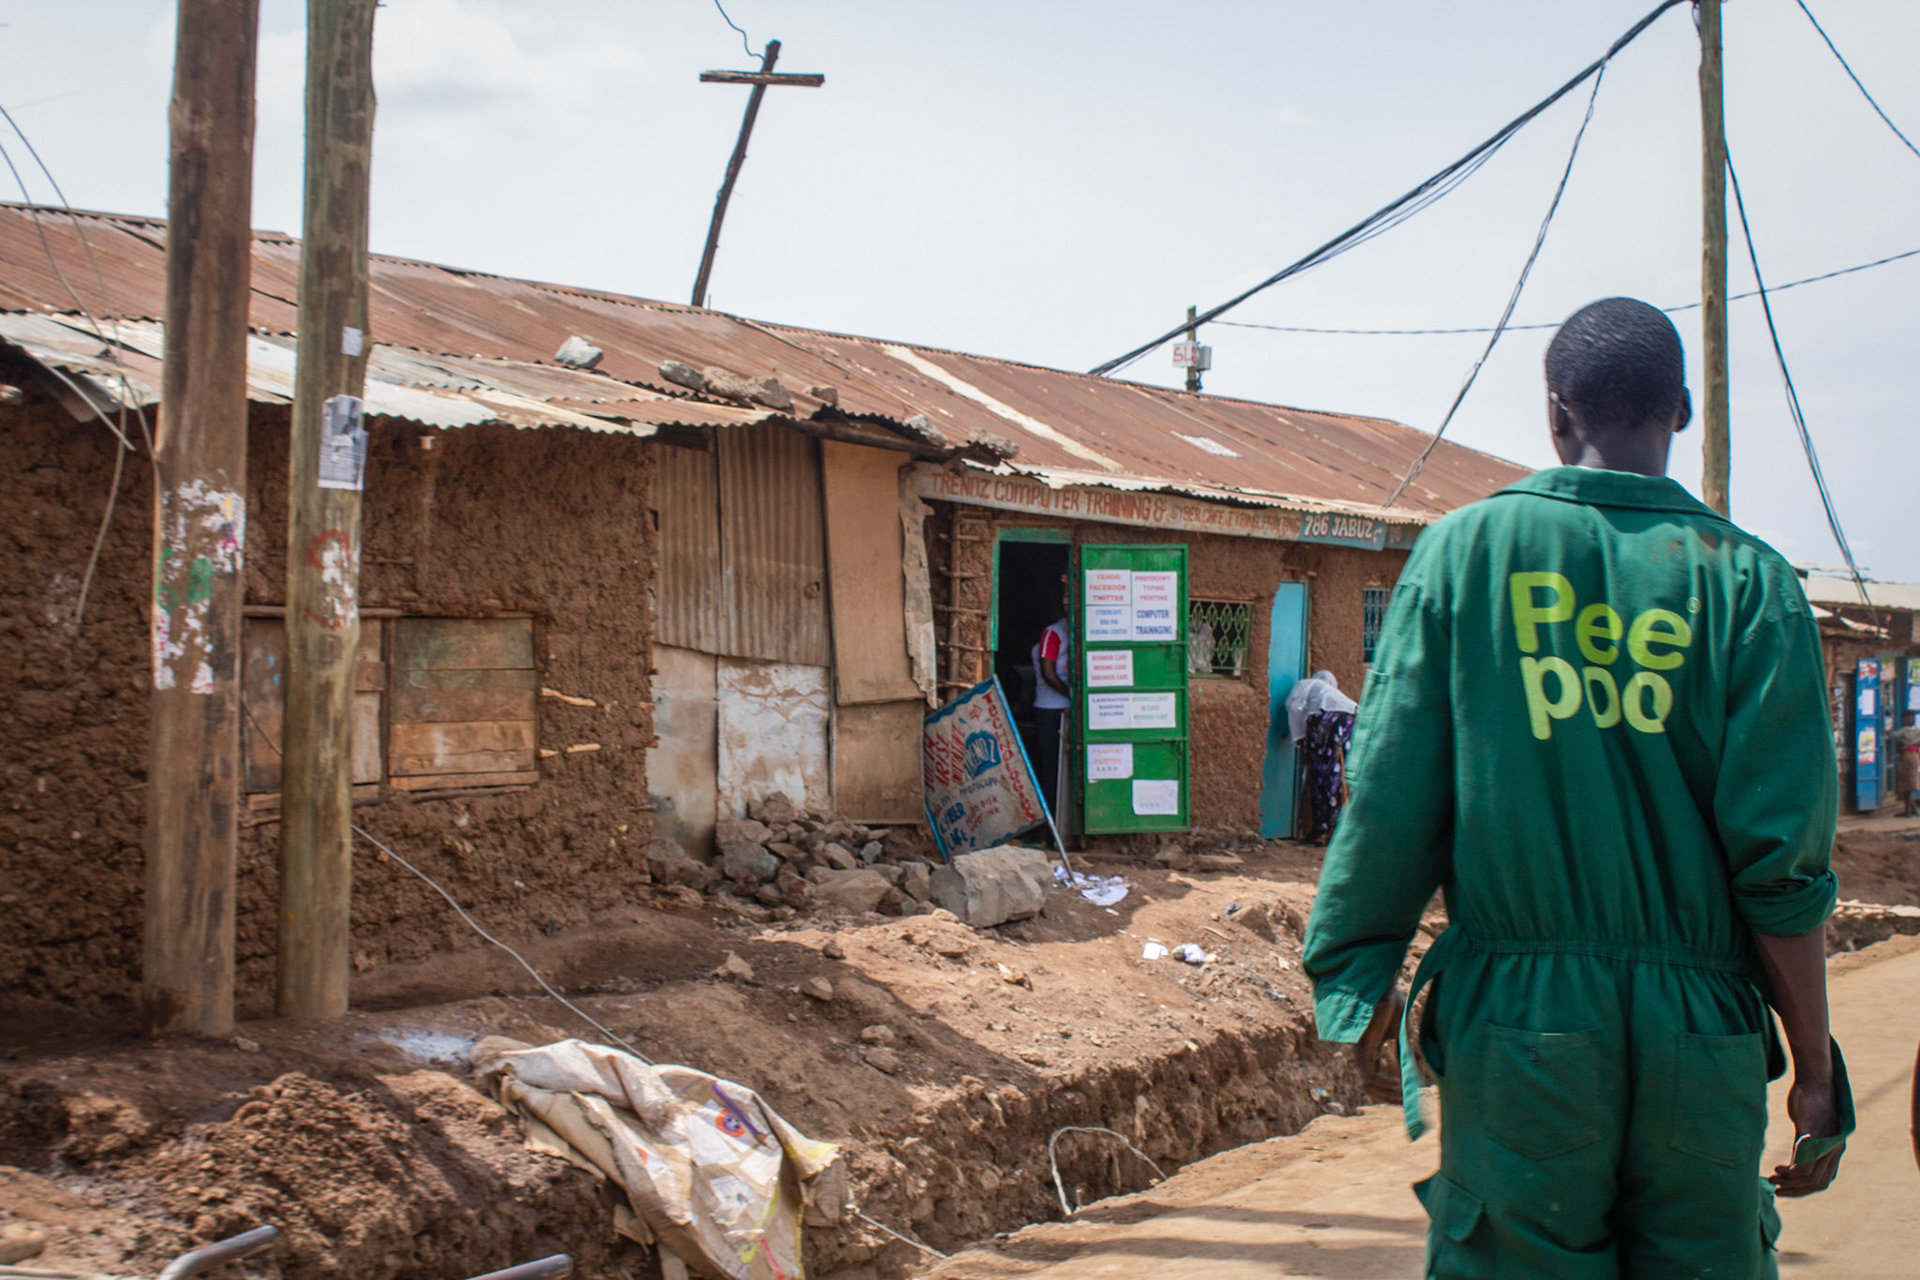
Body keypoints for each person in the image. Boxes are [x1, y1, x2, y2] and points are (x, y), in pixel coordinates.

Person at [1304, 297, 1850, 1278]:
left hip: (1523, 1034)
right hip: (1704, 1035)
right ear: (1680, 409)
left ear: (1556, 413)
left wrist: (1359, 981)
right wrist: (1814, 1065)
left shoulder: (1463, 557)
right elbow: (1785, 865)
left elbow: (1387, 795)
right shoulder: (1753, 585)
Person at [1285, 670, 1359, 842]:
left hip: (1328, 717)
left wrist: (1299, 738)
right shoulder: (1332, 694)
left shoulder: (1304, 685)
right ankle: (1339, 828)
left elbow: (1294, 708)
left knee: (1320, 773)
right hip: (1352, 716)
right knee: (1338, 773)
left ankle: (1321, 828)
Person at [1030, 617, 1070, 815]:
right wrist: (1073, 695)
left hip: (1063, 709)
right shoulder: (1055, 632)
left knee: (1061, 771)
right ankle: (1051, 827)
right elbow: (1048, 672)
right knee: (1053, 771)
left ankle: (1058, 825)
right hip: (1051, 710)